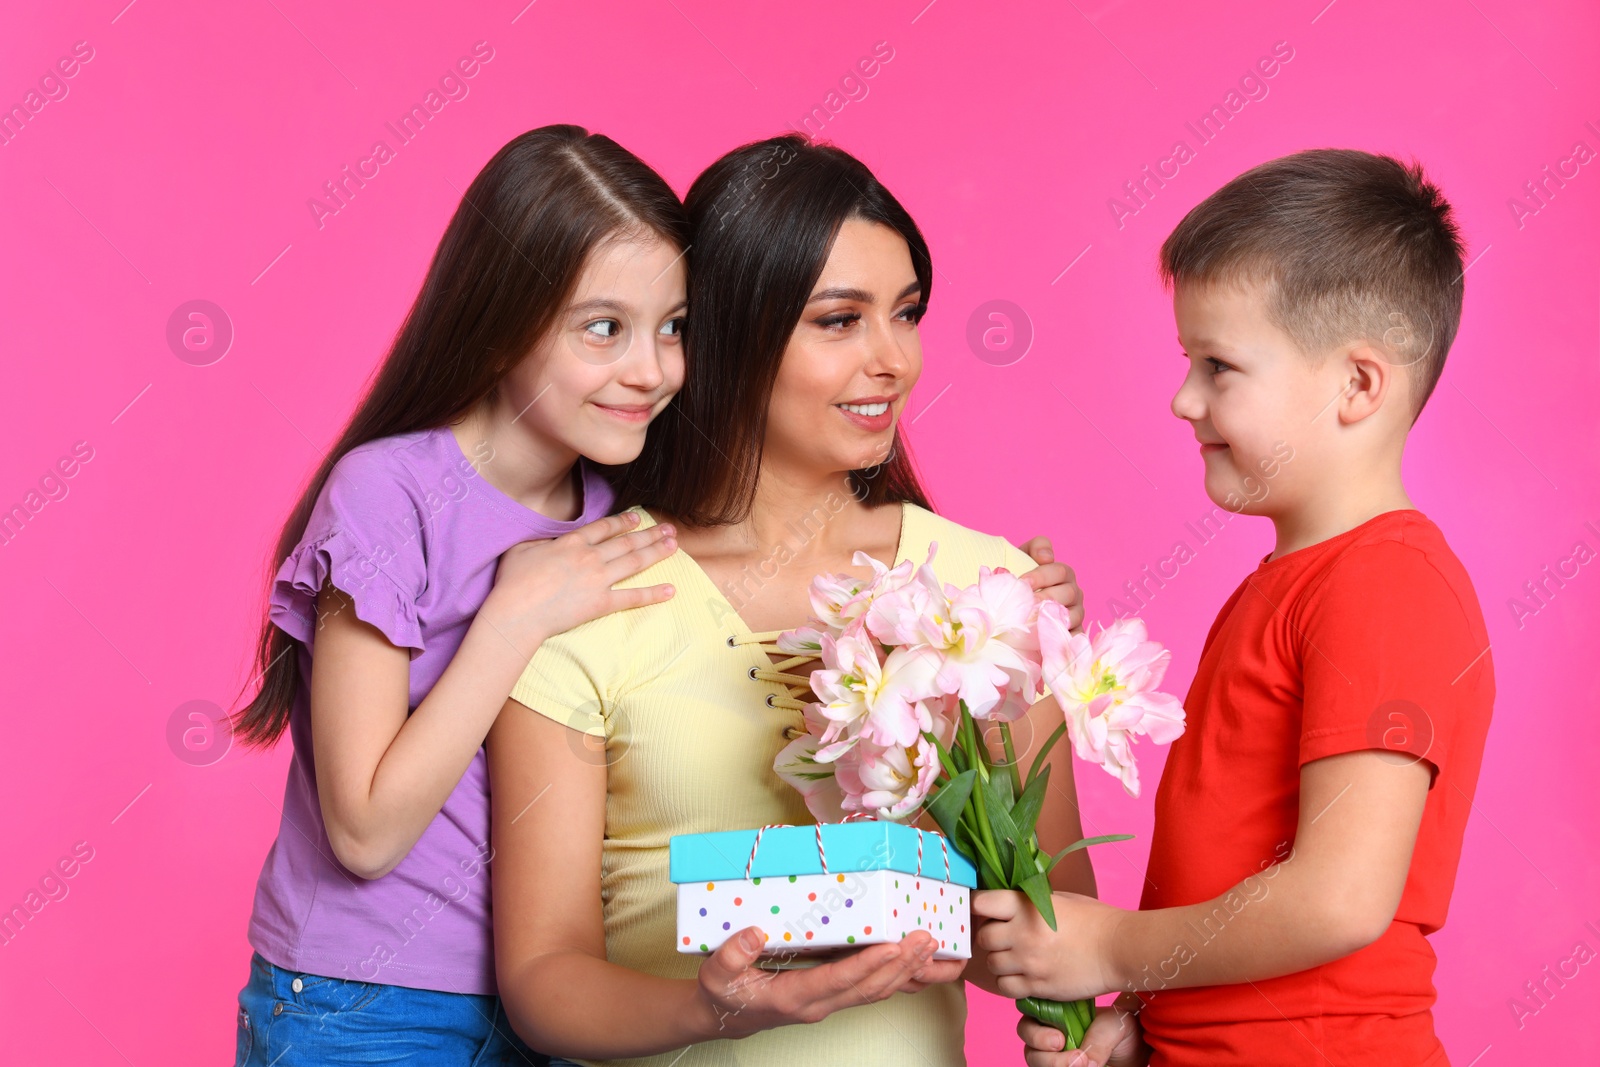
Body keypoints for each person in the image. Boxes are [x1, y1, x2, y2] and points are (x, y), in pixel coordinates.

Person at [486, 135, 1093, 1067]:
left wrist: (1073, 1016)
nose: (893, 358)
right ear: (732, 328)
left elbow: (1055, 923)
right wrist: (720, 1009)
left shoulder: (980, 598)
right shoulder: (585, 591)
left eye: (907, 312)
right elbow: (543, 977)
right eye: (840, 320)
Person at [976, 149, 1496, 1067]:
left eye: (1218, 366)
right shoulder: (1285, 583)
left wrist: (1105, 945)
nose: (1183, 399)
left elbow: (1338, 899)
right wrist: (1141, 1020)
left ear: (1358, 386)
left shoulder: (1386, 585)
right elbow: (1235, 859)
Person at [231, 125, 688, 1065]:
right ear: (500, 321)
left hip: (562, 1003)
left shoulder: (623, 518)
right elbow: (363, 828)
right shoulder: (388, 494)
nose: (651, 370)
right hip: (365, 1005)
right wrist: (512, 617)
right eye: (604, 327)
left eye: (672, 326)